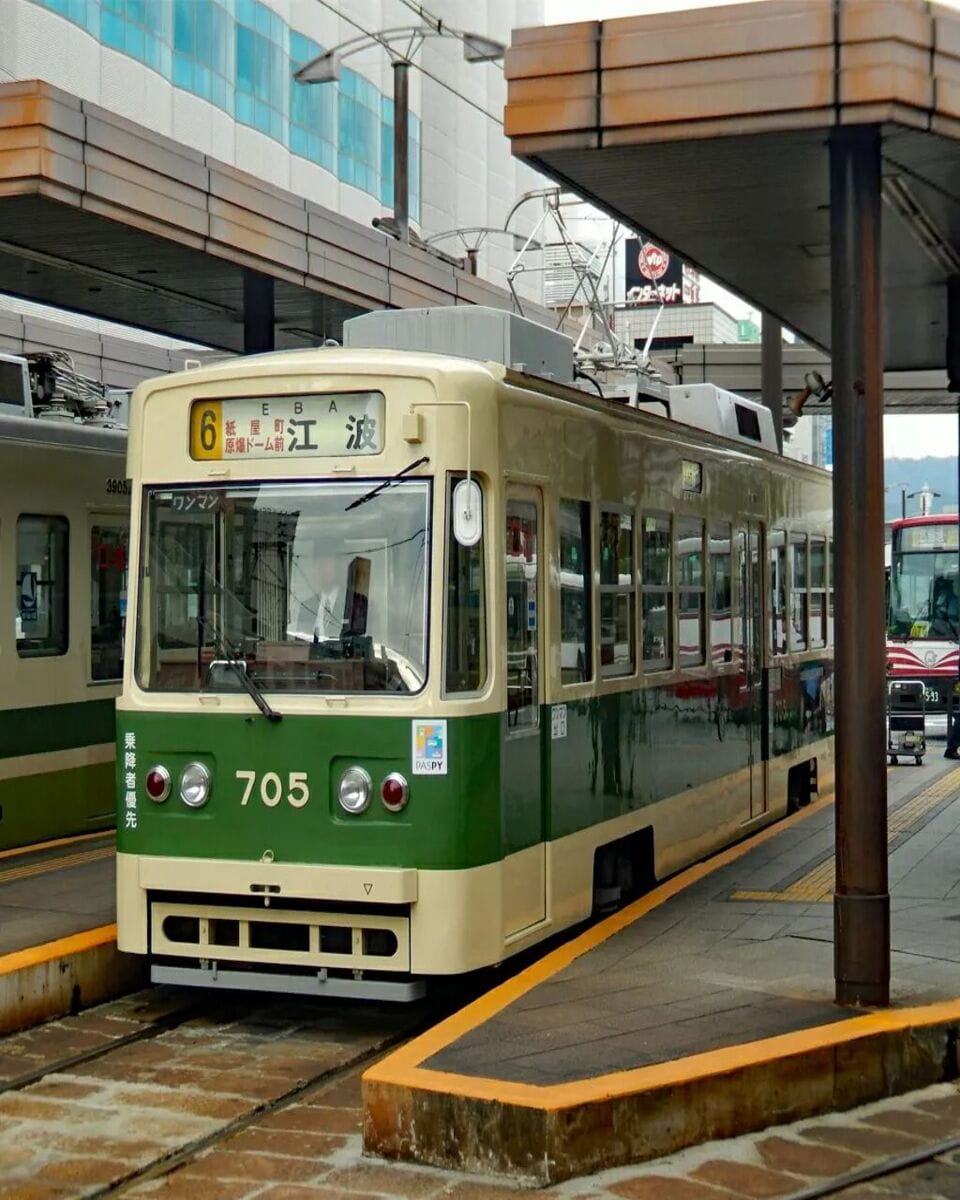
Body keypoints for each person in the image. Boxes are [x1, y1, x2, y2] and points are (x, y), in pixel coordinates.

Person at [313, 555, 344, 641]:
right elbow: (300, 644)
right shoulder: (307, 606)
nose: (324, 570)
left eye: (327, 565)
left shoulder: (351, 602)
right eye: (320, 565)